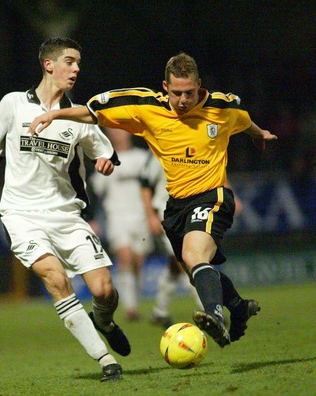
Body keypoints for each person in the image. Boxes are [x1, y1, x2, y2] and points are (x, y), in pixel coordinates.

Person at [28, 51, 278, 348]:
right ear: (164, 87)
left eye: (189, 92)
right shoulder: (145, 108)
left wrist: (258, 133)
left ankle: (214, 315)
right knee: (192, 265)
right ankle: (237, 307)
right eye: (176, 93)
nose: (183, 100)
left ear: (199, 85)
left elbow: (243, 120)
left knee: (195, 256)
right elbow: (93, 112)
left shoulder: (220, 108)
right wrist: (55, 113)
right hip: (175, 205)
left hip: (213, 196)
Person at [0, 38, 130, 382]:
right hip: (21, 215)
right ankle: (106, 360)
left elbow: (104, 152)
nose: (76, 68)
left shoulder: (78, 116)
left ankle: (104, 320)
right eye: (69, 61)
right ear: (49, 65)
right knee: (56, 279)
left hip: (67, 216)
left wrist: (106, 162)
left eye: (78, 63)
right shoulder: (13, 105)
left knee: (104, 289)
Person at [90, 128, 151, 321]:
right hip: (117, 217)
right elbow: (95, 192)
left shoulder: (142, 158)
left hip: (141, 217)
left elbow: (154, 185)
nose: (118, 134)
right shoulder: (105, 160)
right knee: (125, 257)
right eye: (113, 131)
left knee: (138, 262)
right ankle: (130, 308)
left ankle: (134, 300)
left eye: (121, 130)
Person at [139, 151, 202, 329]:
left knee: (175, 265)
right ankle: (208, 308)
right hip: (166, 214)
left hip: (189, 211)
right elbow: (145, 186)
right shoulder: (158, 153)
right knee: (186, 261)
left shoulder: (191, 148)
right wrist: (151, 215)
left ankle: (159, 311)